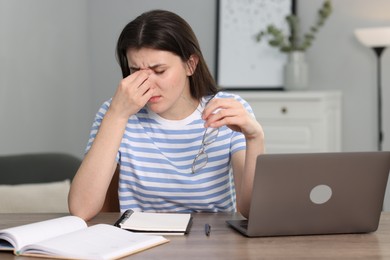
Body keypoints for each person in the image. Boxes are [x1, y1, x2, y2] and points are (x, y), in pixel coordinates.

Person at [68, 9, 265, 221]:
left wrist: (255, 138)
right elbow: (81, 208)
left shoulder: (226, 109)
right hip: (140, 242)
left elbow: (250, 210)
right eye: (135, 71)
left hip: (212, 242)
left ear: (190, 65)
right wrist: (117, 115)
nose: (147, 84)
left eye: (159, 71)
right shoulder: (115, 111)